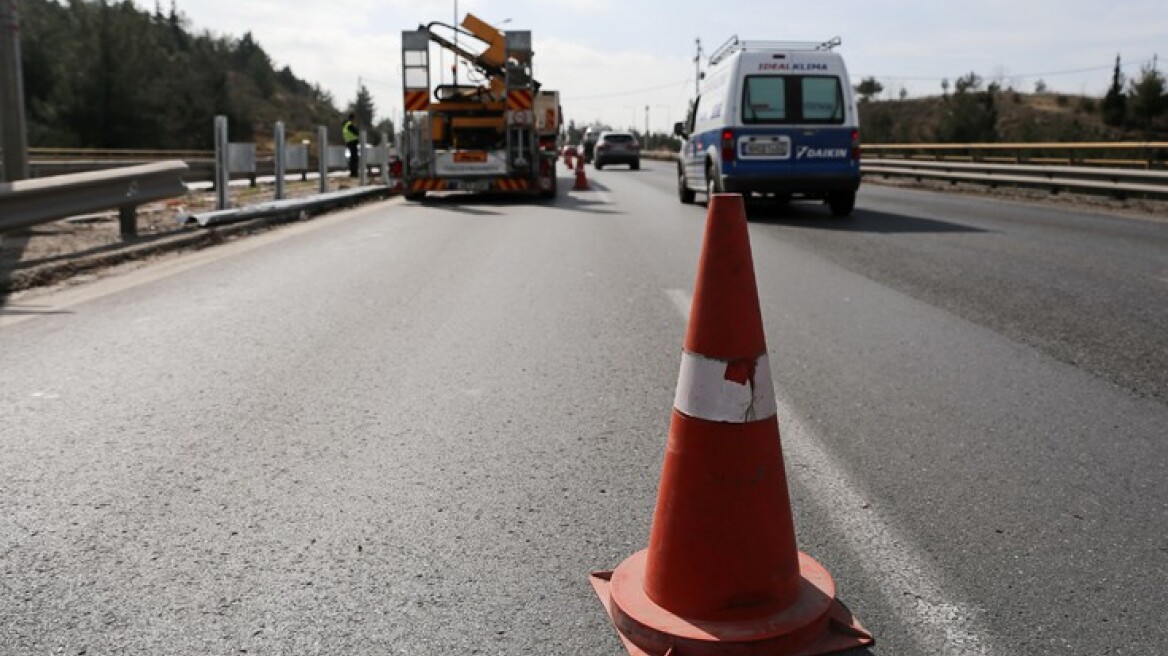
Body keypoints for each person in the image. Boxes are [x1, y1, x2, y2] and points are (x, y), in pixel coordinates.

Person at [342, 113, 360, 177]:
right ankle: (354, 173)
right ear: (352, 118)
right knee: (354, 159)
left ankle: (353, 172)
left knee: (352, 158)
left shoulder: (345, 125)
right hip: (352, 142)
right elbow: (356, 132)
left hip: (349, 142)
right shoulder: (349, 125)